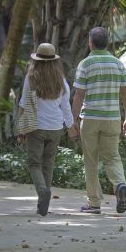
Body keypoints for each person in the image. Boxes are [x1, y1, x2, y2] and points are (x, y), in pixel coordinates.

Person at [71, 27, 126, 214]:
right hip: (112, 118)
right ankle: (120, 184)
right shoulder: (117, 64)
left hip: (90, 118)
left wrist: (72, 120)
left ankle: (94, 203)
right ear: (107, 42)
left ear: (90, 42)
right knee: (112, 157)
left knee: (91, 161)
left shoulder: (86, 64)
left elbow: (79, 94)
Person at [18, 43, 77, 216]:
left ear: (36, 60)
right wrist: (71, 126)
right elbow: (66, 107)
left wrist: (21, 128)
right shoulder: (61, 80)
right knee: (48, 165)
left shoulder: (31, 77)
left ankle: (43, 193)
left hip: (36, 127)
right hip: (56, 128)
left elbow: (23, 103)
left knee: (34, 163)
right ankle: (42, 204)